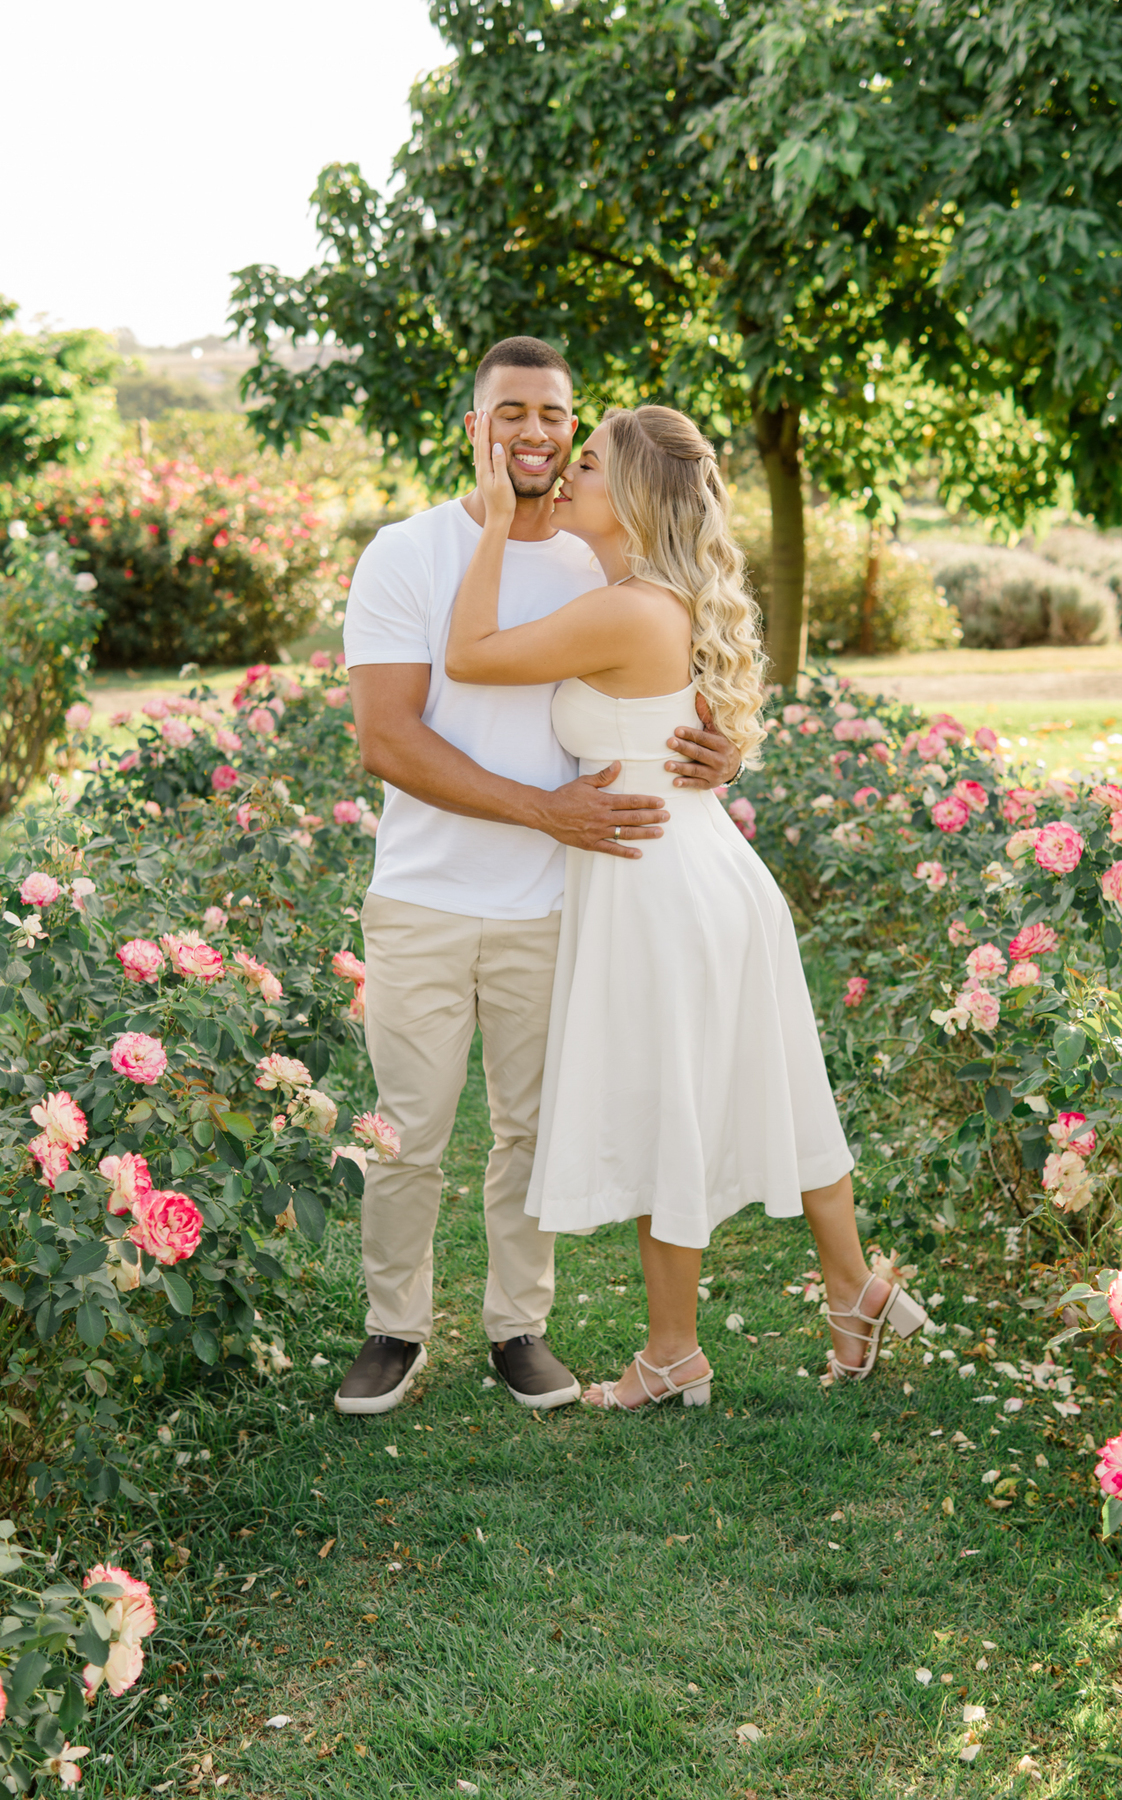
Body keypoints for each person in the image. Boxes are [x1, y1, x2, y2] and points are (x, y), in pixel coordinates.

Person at [445, 402, 927, 1407]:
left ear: (627, 495)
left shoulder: (628, 609)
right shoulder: (660, 595)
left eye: (587, 463)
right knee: (778, 1084)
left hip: (657, 883)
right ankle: (852, 1288)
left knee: (672, 1103)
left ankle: (673, 1355)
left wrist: (493, 522)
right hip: (704, 872)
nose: (567, 474)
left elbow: (471, 655)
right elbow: (697, 735)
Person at [335, 338, 741, 1416]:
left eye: (553, 414)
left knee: (530, 1130)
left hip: (558, 902)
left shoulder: (595, 549)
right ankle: (394, 1330)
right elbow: (387, 738)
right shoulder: (405, 554)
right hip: (424, 892)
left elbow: (681, 673)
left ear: (572, 430)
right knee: (406, 1131)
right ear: (474, 426)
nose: (532, 432)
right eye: (509, 410)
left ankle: (520, 1325)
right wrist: (541, 810)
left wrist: (724, 748)